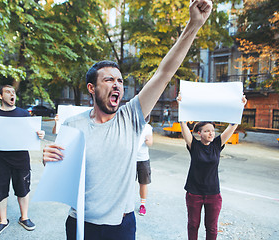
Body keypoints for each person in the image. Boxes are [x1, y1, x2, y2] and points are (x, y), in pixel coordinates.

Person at [43, 1, 213, 239]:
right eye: (109, 80)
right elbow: (61, 175)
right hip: (81, 223)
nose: (117, 84)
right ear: (91, 88)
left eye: (120, 81)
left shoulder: (131, 116)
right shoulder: (73, 126)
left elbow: (164, 73)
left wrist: (194, 25)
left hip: (121, 226)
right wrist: (49, 160)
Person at [0, 85, 45, 237]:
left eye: (13, 92)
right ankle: (2, 221)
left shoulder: (24, 114)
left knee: (23, 188)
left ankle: (24, 218)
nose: (12, 94)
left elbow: (34, 136)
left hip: (21, 159)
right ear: (1, 96)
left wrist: (40, 135)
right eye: (8, 92)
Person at [177, 95, 247, 240]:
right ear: (199, 133)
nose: (211, 133)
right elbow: (183, 125)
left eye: (213, 131)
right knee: (193, 225)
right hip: (194, 193)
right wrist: (181, 106)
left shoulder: (217, 145)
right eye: (207, 131)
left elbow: (232, 125)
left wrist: (241, 106)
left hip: (213, 194)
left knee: (212, 228)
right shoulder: (194, 145)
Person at [136, 121, 153, 216]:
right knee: (128, 183)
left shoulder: (147, 127)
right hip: (130, 158)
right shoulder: (130, 124)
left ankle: (142, 205)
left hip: (143, 159)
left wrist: (147, 141)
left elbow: (150, 142)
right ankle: (126, 204)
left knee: (143, 183)